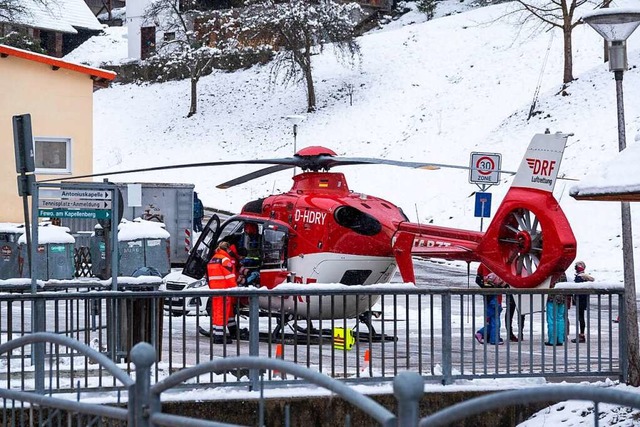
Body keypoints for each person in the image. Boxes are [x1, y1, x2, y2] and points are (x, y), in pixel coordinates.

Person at [205, 241, 238, 344]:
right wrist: (235, 289)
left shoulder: (213, 259)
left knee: (216, 312)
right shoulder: (225, 260)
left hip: (214, 290)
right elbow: (230, 277)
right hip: (224, 290)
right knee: (222, 312)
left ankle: (216, 333)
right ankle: (219, 337)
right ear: (227, 249)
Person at [475, 270, 506, 346]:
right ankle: (493, 339)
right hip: (494, 305)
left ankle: (482, 334)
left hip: (490, 306)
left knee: (492, 323)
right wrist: (498, 308)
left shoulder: (488, 287)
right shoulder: (493, 291)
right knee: (496, 323)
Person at [571, 261, 595, 344]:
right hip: (581, 299)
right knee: (580, 317)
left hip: (580, 299)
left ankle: (581, 335)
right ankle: (581, 334)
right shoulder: (583, 276)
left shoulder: (581, 277)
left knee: (580, 317)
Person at [545, 272, 568, 346]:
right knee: (560, 318)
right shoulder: (563, 273)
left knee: (551, 319)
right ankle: (560, 339)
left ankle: (552, 340)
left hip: (552, 298)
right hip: (562, 299)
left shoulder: (550, 272)